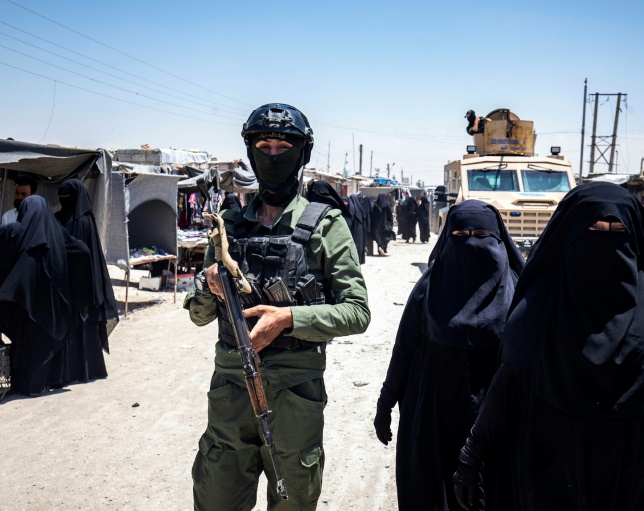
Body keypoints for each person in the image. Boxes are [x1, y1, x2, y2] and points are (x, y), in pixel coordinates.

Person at [453, 182, 644, 511]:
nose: (606, 236)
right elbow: (507, 383)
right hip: (556, 481)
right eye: (593, 227)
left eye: (618, 228)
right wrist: (471, 456)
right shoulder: (540, 307)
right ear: (570, 233)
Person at [184, 103, 370, 511]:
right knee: (216, 496)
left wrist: (288, 318)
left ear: (301, 153)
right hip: (232, 391)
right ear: (251, 152)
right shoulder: (228, 226)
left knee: (293, 501)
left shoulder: (325, 225)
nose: (272, 155)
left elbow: (357, 311)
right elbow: (198, 315)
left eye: (282, 146)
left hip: (294, 395)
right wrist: (208, 284)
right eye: (263, 145)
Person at [374, 200, 524, 511]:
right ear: (447, 237)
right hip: (432, 413)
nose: (470, 241)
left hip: (495, 415)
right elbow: (404, 348)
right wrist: (385, 403)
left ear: (498, 239)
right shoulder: (429, 286)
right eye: (460, 233)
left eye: (481, 234)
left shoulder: (517, 292)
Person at [0, 192, 90, 395]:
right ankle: (43, 383)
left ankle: (29, 386)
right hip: (52, 310)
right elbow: (82, 251)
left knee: (27, 347)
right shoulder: (57, 236)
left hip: (28, 308)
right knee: (45, 345)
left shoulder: (23, 236)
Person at [54, 179, 119, 383]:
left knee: (83, 328)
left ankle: (86, 371)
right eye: (61, 196)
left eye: (68, 196)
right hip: (66, 283)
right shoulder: (60, 218)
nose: (64, 200)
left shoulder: (83, 221)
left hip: (82, 286)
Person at [347, 193, 368, 264]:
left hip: (354, 231)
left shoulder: (351, 209)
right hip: (361, 231)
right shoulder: (360, 209)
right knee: (360, 246)